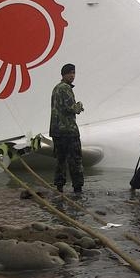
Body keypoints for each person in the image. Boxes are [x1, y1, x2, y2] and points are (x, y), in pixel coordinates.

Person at [49, 63, 85, 194]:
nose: (72, 75)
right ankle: (78, 189)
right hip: (68, 131)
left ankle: (59, 187)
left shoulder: (56, 88)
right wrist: (79, 105)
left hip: (56, 131)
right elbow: (72, 108)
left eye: (74, 73)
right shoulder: (66, 88)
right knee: (75, 160)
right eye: (70, 73)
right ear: (64, 74)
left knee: (61, 160)